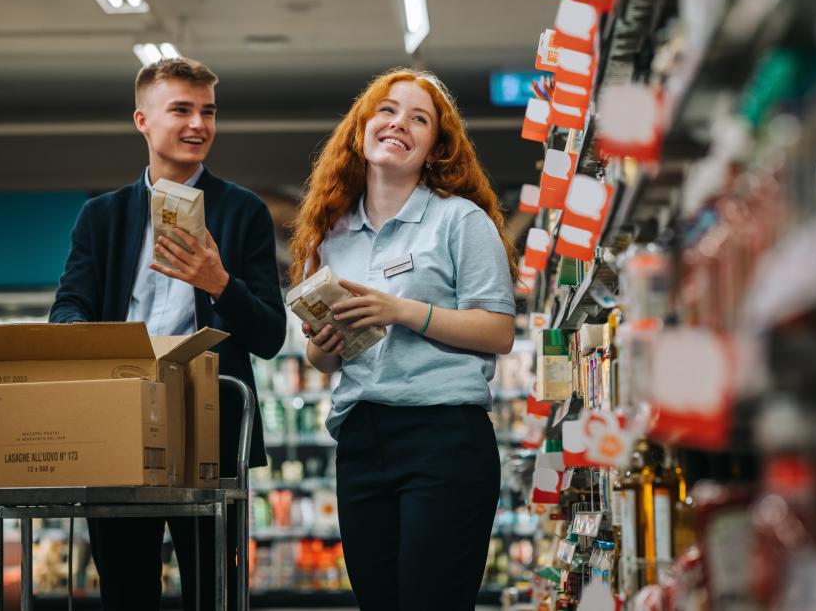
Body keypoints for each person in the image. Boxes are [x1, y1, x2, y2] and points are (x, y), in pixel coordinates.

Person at [49, 57, 286, 611]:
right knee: (125, 587)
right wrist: (88, 341)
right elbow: (69, 306)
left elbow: (270, 335)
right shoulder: (101, 217)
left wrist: (218, 282)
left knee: (212, 587)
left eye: (208, 112)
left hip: (211, 424)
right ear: (143, 120)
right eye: (181, 110)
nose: (198, 124)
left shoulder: (244, 211)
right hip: (118, 420)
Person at [289, 67, 518, 610]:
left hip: (444, 437)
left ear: (436, 149)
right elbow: (321, 360)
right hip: (361, 440)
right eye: (387, 110)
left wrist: (402, 311)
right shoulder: (331, 233)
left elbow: (499, 330)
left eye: (419, 119)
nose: (398, 123)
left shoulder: (459, 221)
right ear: (361, 129)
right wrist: (324, 341)